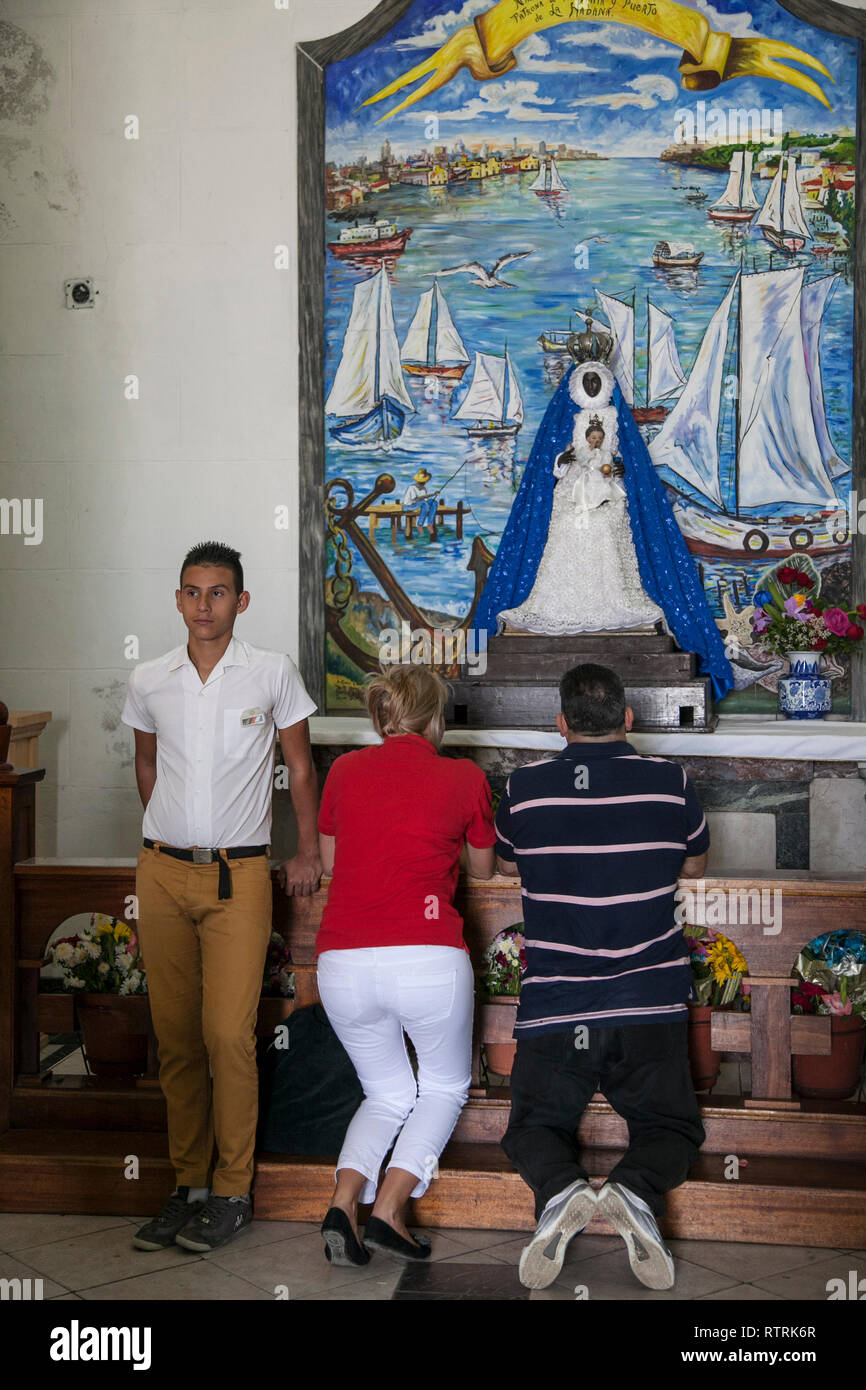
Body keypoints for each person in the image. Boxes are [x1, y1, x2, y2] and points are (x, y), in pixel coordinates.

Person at [122, 541, 321, 1254]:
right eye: (192, 592)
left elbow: (299, 769)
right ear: (178, 601)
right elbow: (146, 766)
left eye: (218, 592)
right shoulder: (150, 679)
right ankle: (189, 1185)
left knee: (228, 1037)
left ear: (241, 601)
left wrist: (307, 851)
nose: (204, 604)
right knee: (174, 1038)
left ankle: (233, 1187)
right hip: (163, 874)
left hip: (239, 880)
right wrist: (170, 837)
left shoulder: (271, 673)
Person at [495, 663, 709, 1291]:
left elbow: (507, 869)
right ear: (628, 718)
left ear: (560, 724)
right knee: (673, 1127)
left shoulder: (526, 787)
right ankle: (634, 1193)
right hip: (648, 999)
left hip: (558, 1004)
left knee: (533, 1126)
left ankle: (561, 1192)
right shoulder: (669, 781)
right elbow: (694, 867)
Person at [315, 664, 496, 1265]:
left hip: (342, 961)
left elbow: (333, 861)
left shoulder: (342, 770)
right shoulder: (465, 777)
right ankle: (390, 1208)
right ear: (436, 717)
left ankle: (343, 1205)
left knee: (386, 1091)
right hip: (426, 958)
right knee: (443, 1086)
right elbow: (482, 871)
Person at [497, 367, 664, 634]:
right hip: (574, 488)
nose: (592, 385)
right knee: (566, 528)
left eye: (595, 380)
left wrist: (623, 469)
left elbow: (630, 456)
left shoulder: (614, 416)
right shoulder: (569, 418)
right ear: (579, 385)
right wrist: (561, 462)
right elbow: (553, 457)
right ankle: (563, 602)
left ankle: (608, 598)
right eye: (587, 381)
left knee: (605, 531)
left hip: (606, 484)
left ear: (605, 383)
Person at [402, 468, 439, 538]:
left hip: (419, 504)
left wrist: (432, 497)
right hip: (409, 506)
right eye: (422, 481)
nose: (424, 483)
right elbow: (416, 499)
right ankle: (420, 525)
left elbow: (425, 500)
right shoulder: (412, 487)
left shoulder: (424, 489)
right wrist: (432, 494)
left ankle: (429, 524)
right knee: (424, 503)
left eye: (424, 481)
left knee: (434, 502)